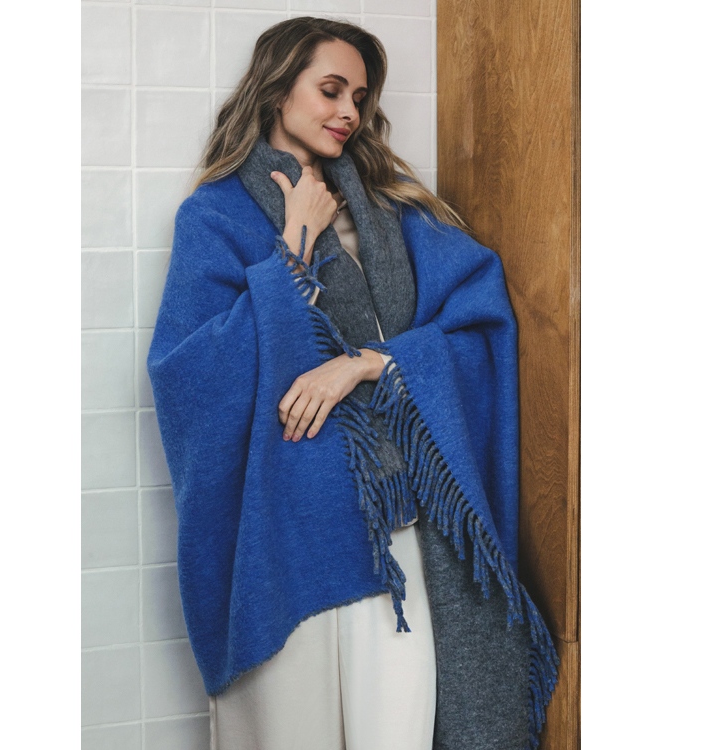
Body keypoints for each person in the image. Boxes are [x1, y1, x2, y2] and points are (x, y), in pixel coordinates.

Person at [147, 16, 558, 750]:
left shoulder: (392, 210)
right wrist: (295, 242)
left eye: (360, 98)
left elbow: (478, 321)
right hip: (290, 539)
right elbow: (190, 376)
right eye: (331, 90)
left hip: (400, 532)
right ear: (278, 90)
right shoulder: (214, 215)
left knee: (397, 733)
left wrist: (370, 362)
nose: (348, 112)